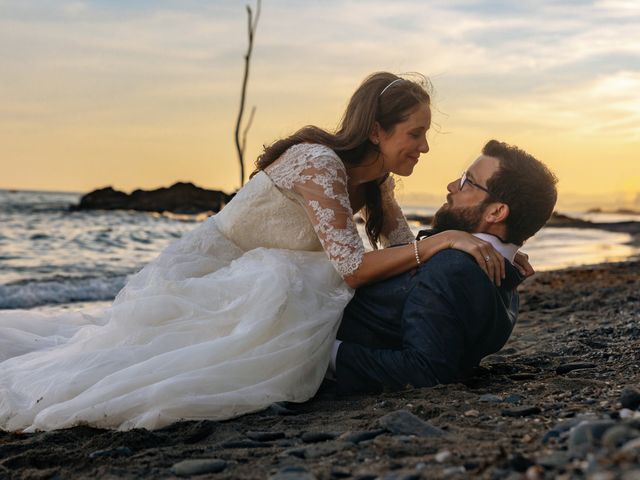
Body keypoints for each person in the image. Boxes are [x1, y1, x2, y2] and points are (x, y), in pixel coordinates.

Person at [0, 72, 512, 432]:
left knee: (295, 286)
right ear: (376, 130)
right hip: (212, 271)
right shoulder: (319, 163)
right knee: (132, 364)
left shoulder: (377, 183)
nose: (423, 148)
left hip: (269, 274)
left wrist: (493, 254)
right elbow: (355, 270)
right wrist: (447, 238)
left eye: (425, 135)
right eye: (415, 134)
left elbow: (406, 259)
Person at [332, 139, 558, 394]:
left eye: (467, 182)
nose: (452, 186)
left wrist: (327, 353)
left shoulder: (453, 267)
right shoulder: (506, 279)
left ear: (496, 212)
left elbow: (426, 371)